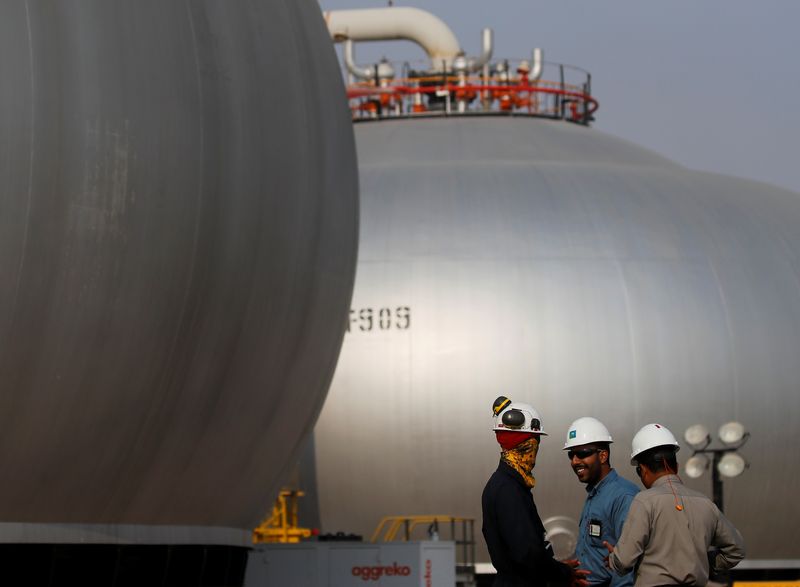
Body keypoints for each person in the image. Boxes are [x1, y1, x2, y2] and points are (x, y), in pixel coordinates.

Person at [603, 423, 745, 586]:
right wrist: (706, 562)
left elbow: (624, 562)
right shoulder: (706, 503)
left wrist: (614, 559)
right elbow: (737, 550)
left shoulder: (644, 501)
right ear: (676, 467)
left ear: (642, 469)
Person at [482, 396, 591, 587]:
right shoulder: (509, 490)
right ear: (528, 445)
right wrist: (563, 573)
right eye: (536, 442)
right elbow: (527, 554)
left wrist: (554, 567)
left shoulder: (505, 484)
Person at [563, 417, 639, 587]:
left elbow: (629, 564)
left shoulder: (623, 496)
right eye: (571, 454)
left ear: (603, 455)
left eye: (582, 453)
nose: (575, 461)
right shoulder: (595, 493)